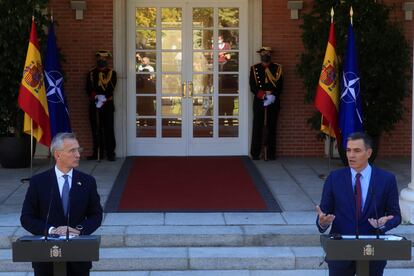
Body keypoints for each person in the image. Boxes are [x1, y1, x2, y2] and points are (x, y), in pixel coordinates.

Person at [316, 132, 401, 276]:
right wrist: (323, 222)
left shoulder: (386, 179)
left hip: (372, 251)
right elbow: (323, 214)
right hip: (340, 252)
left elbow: (396, 215)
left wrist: (384, 224)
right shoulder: (334, 178)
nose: (351, 155)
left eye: (357, 151)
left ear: (369, 153)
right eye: (348, 150)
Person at [21, 132, 103, 276]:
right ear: (58, 155)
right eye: (72, 150)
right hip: (46, 258)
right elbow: (27, 218)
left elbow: (96, 215)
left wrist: (79, 230)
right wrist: (52, 230)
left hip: (78, 258)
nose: (78, 155)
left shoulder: (87, 182)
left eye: (78, 150)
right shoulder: (38, 182)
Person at [249, 46, 283, 160]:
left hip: (273, 101)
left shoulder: (278, 68)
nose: (265, 55)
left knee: (271, 127)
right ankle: (256, 153)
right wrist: (263, 95)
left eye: (268, 53)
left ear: (270, 55)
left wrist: (272, 95)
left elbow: (280, 86)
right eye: (263, 53)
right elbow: (253, 87)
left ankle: (270, 154)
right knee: (257, 127)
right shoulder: (254, 69)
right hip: (259, 102)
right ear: (260, 55)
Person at [86, 50, 117, 161]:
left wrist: (104, 98)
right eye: (100, 59)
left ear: (107, 60)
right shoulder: (91, 73)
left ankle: (110, 153)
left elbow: (111, 87)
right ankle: (97, 152)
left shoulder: (112, 73)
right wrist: (94, 96)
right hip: (95, 104)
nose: (101, 61)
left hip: (107, 104)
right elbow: (88, 87)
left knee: (108, 129)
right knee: (96, 129)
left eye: (104, 59)